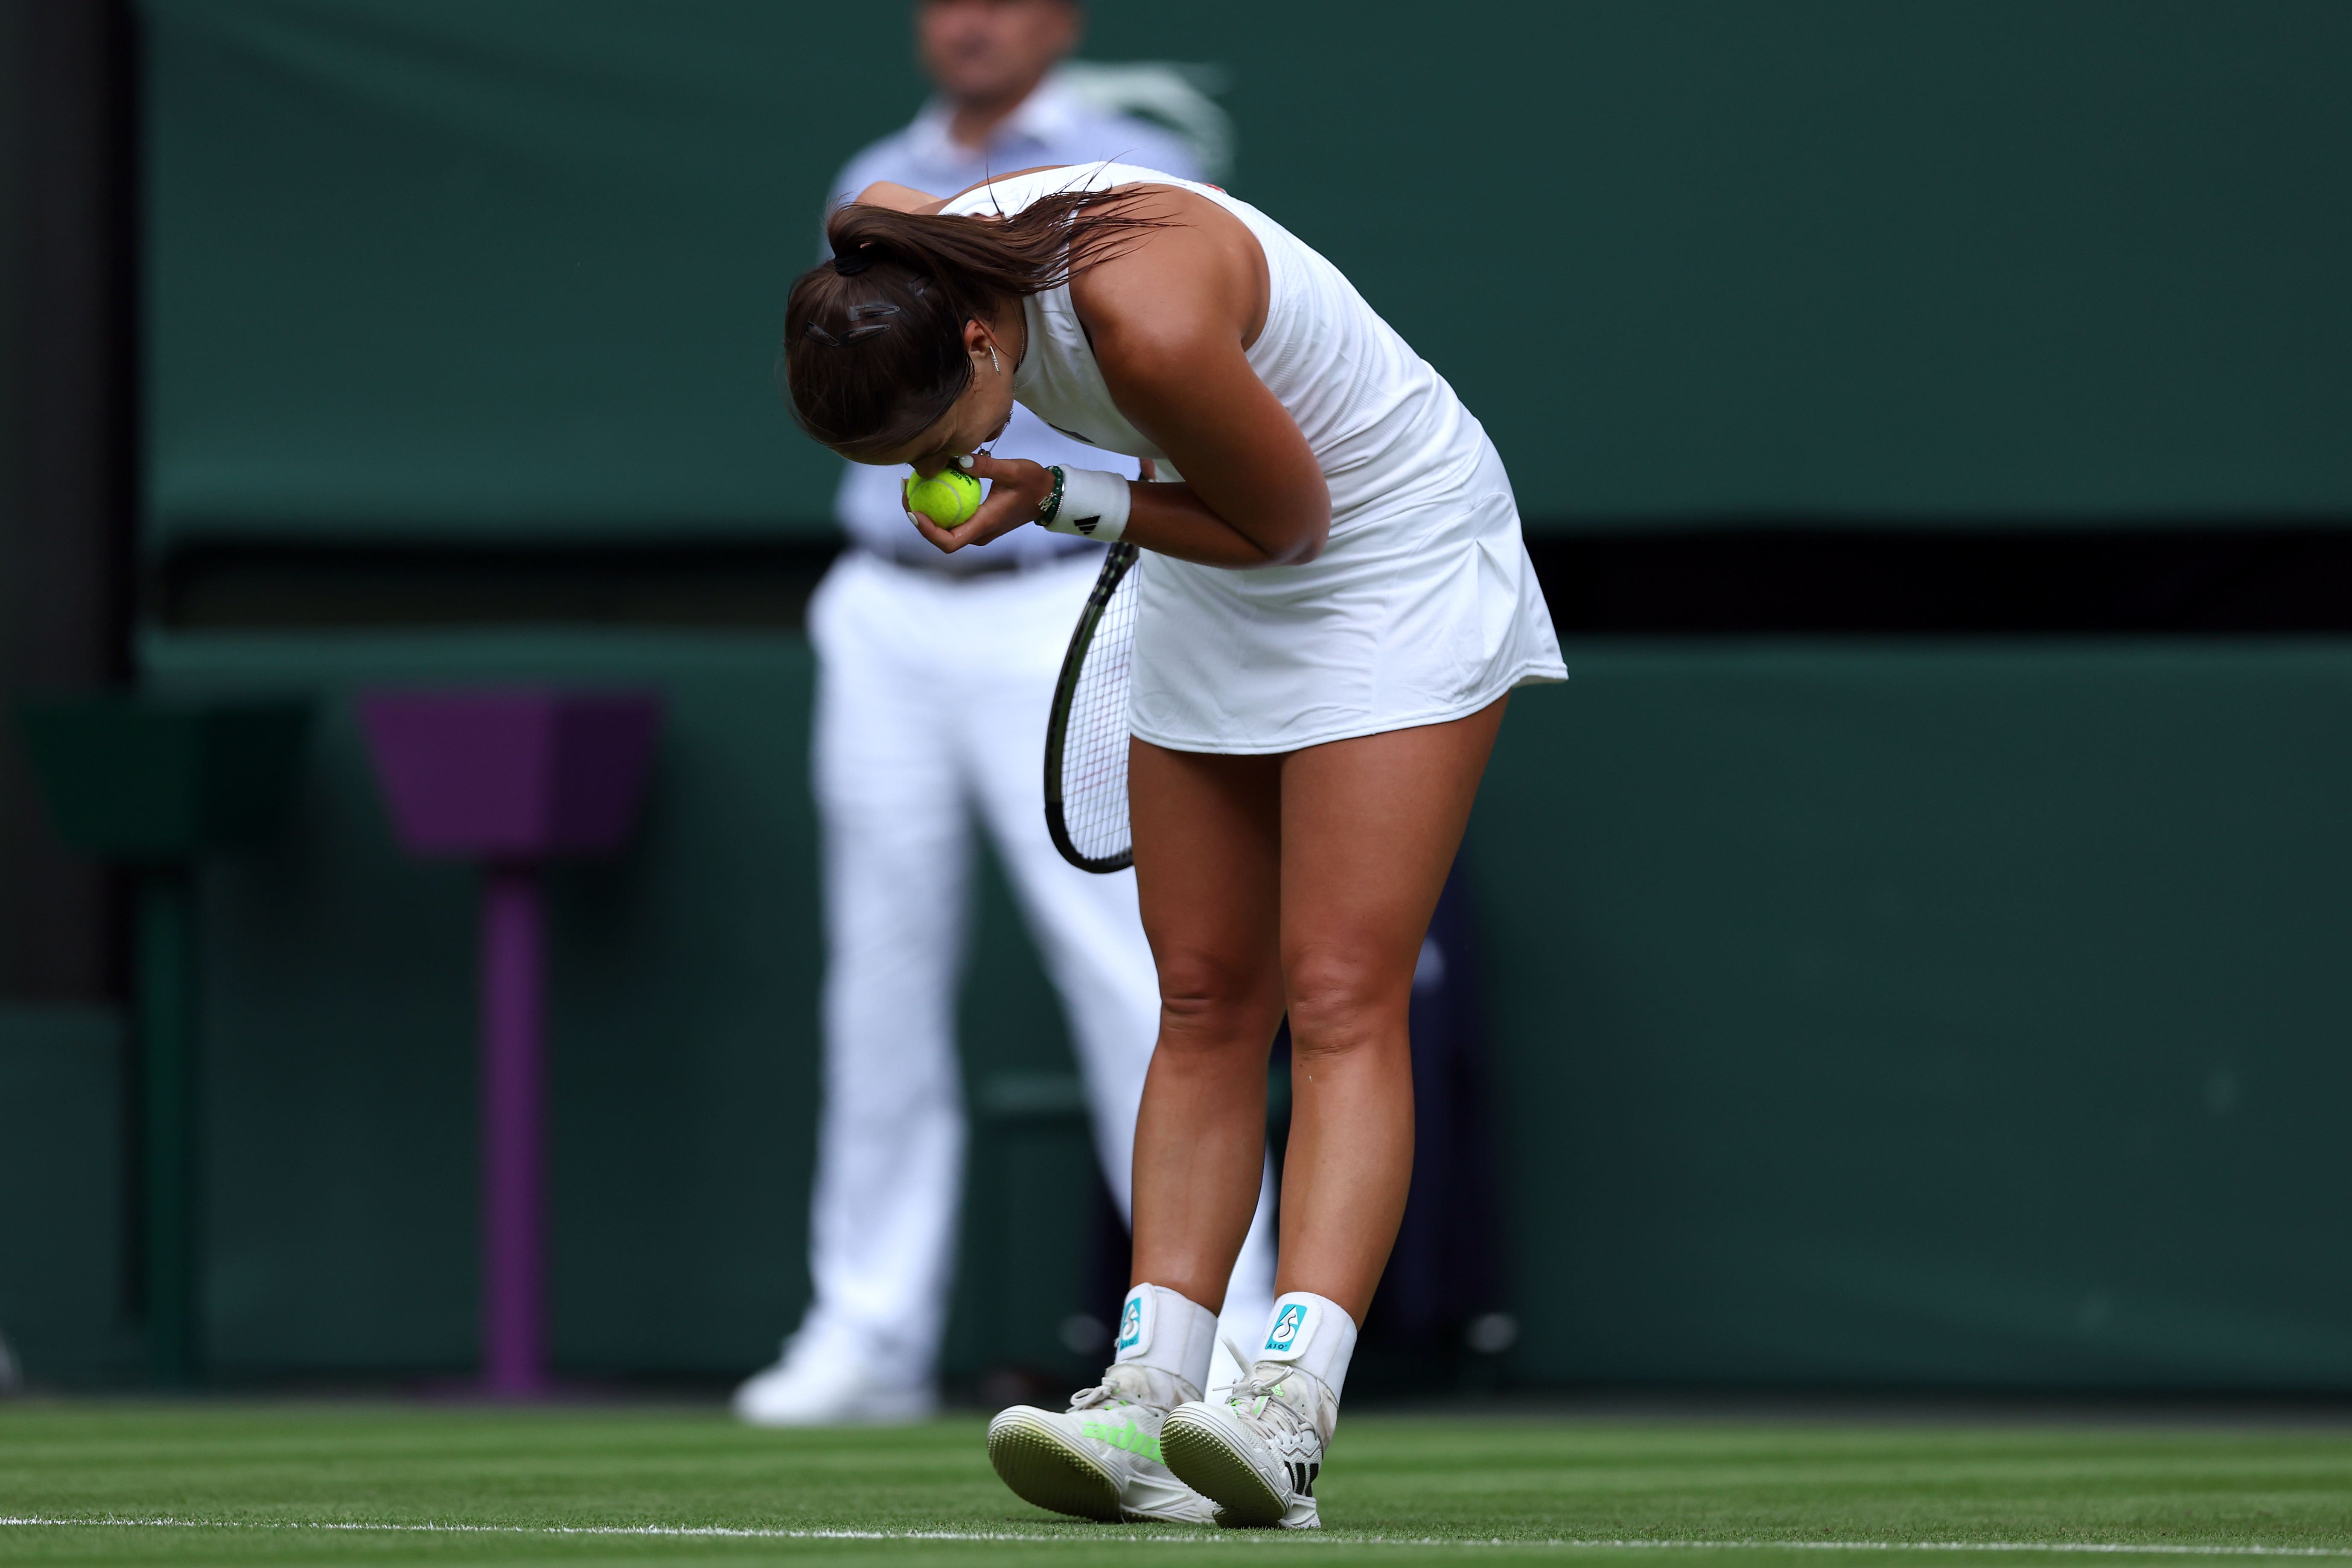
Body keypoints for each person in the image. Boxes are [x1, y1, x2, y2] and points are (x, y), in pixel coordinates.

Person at [775, 163, 1564, 1527]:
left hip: (1387, 554)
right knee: (1200, 996)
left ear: (980, 337)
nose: (934, 471)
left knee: (1337, 992)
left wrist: (1058, 496)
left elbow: (1295, 525)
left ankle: (1289, 1411)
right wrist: (1054, 477)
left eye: (933, 440)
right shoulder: (901, 261)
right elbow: (890, 201)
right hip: (1219, 560)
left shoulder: (1142, 319)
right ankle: (1144, 1394)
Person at [733, 0, 1274, 1427]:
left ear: (1063, 19)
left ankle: (1221, 1352)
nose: (971, 23)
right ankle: (866, 1334)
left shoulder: (1130, 164)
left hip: (1058, 594)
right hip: (882, 607)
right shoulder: (877, 167)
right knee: (882, 981)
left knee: (1147, 971)